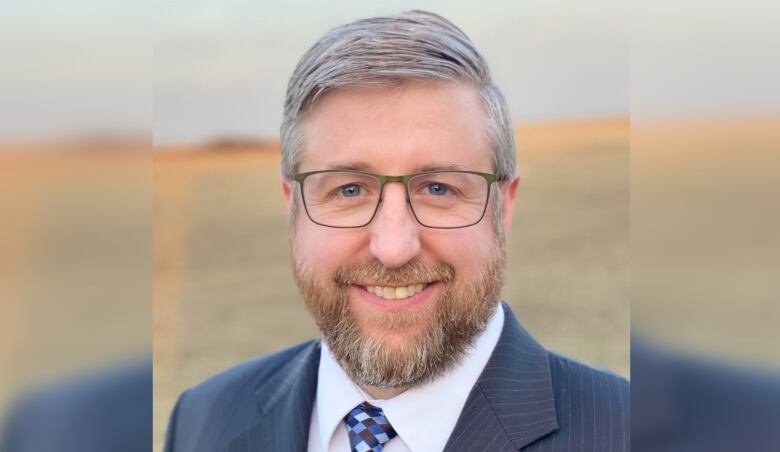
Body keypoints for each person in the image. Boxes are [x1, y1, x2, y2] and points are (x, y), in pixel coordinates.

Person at [164, 10, 629, 452]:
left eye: (437, 188)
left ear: (502, 207)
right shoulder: (204, 421)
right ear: (295, 210)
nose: (392, 248)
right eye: (349, 190)